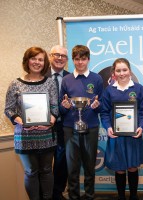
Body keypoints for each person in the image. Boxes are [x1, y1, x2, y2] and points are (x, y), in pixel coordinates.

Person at [4, 47, 58, 200]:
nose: (37, 62)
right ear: (27, 61)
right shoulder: (15, 84)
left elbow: (55, 107)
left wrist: (51, 121)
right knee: (30, 171)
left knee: (47, 170)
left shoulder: (50, 83)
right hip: (25, 136)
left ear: (45, 63)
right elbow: (8, 109)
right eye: (33, 58)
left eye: (40, 59)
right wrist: (22, 122)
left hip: (46, 134)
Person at [60, 45, 103, 200]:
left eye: (83, 59)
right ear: (73, 60)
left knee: (90, 166)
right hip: (70, 128)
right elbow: (61, 106)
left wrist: (97, 106)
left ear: (88, 59)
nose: (80, 62)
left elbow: (102, 105)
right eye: (77, 59)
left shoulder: (97, 78)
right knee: (72, 167)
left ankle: (89, 195)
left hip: (91, 127)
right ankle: (73, 196)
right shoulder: (66, 80)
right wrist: (64, 107)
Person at [100, 58, 143, 200]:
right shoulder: (109, 90)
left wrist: (141, 126)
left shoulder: (138, 89)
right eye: (118, 70)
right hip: (116, 136)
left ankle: (133, 196)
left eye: (124, 70)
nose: (122, 73)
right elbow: (104, 112)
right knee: (120, 168)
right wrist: (108, 127)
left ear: (130, 71)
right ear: (113, 73)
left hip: (134, 135)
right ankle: (121, 196)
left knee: (133, 167)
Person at [46, 45, 70, 200]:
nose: (60, 58)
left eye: (63, 56)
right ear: (50, 56)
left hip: (64, 126)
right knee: (44, 163)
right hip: (43, 127)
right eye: (56, 54)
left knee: (62, 161)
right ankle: (46, 193)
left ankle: (57, 192)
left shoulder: (70, 78)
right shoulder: (40, 76)